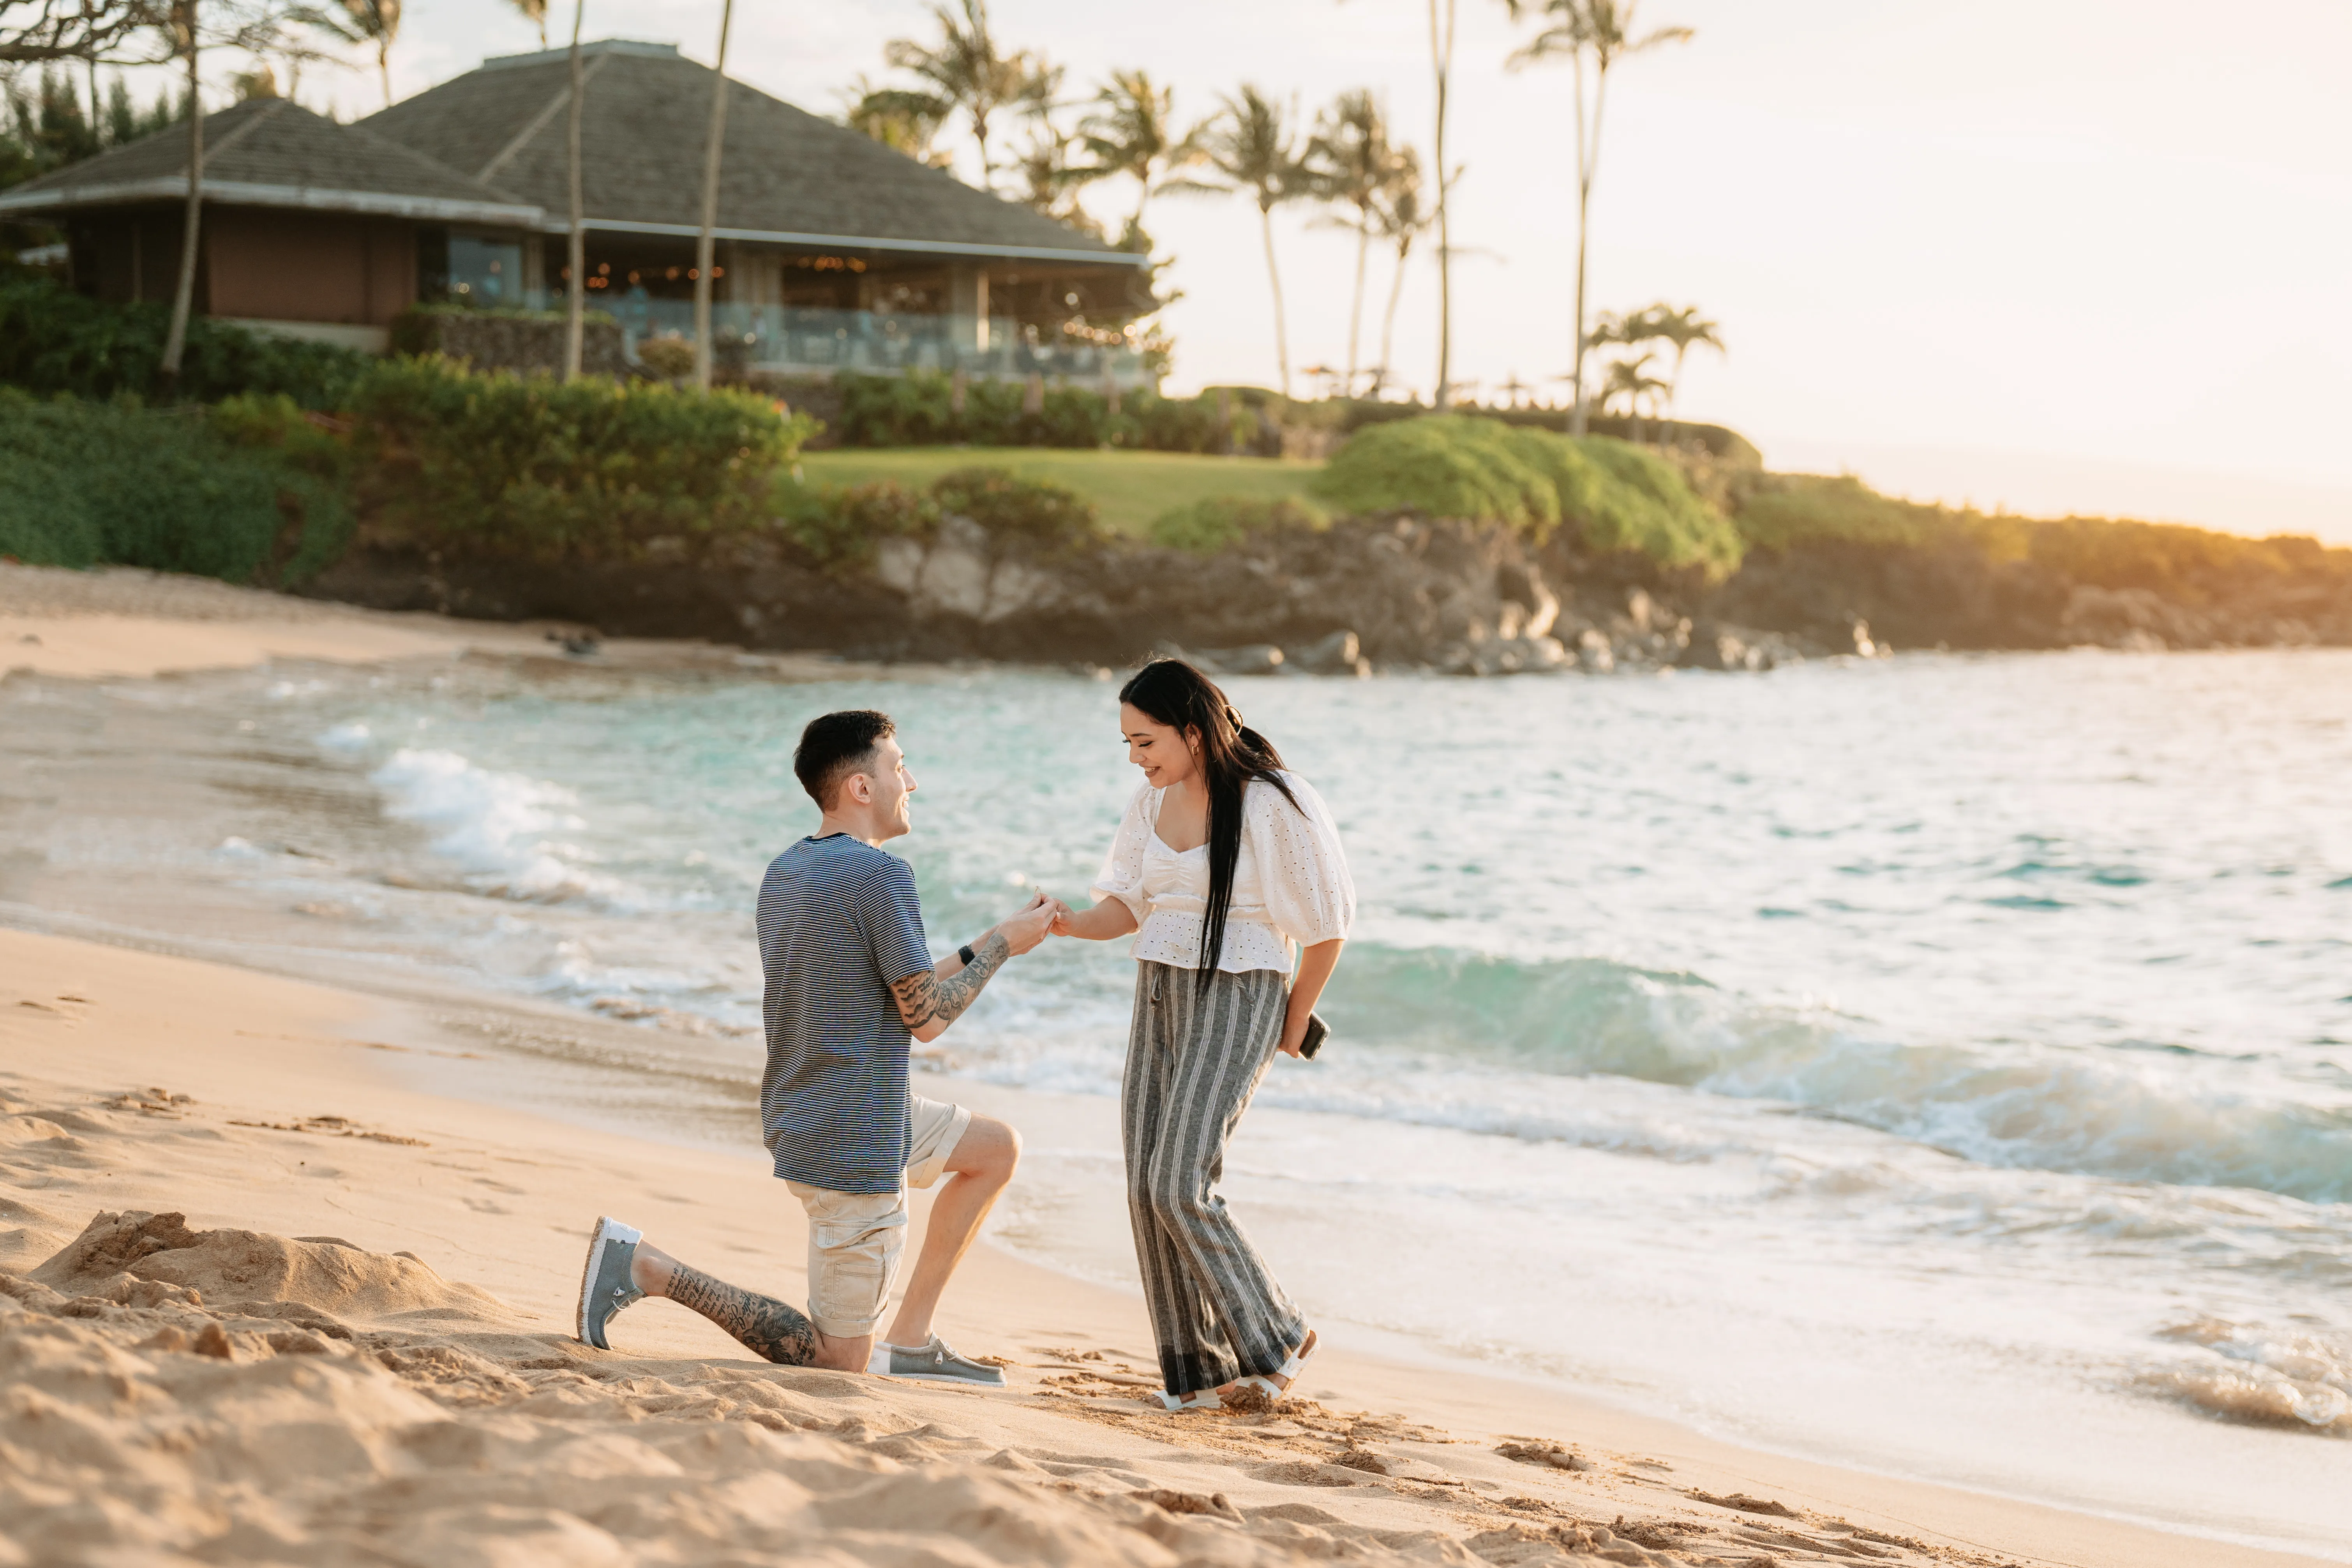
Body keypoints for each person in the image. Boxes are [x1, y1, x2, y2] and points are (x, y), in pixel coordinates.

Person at [577, 709, 1056, 1384]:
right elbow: (926, 1018)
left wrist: (986, 940)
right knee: (839, 1362)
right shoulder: (882, 877)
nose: (910, 780)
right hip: (855, 1143)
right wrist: (1009, 949)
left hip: (818, 1108)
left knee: (994, 1149)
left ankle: (912, 1339)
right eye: (897, 766)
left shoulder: (789, 870)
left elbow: (891, 986)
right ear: (861, 787)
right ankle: (645, 1267)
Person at [1052, 659, 1355, 1410]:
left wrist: (1292, 1020)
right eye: (1127, 743)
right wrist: (1061, 922)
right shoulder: (1148, 803)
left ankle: (1278, 1335)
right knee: (1143, 1186)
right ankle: (1198, 1375)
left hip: (1241, 992)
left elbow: (1326, 929)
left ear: (1192, 731)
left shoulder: (1274, 801)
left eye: (1145, 740)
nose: (1135, 757)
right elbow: (1128, 904)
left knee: (1179, 1181)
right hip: (1158, 989)